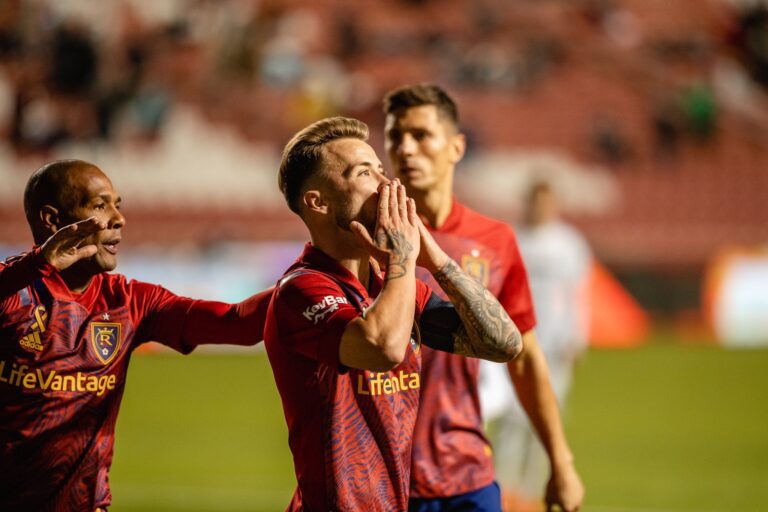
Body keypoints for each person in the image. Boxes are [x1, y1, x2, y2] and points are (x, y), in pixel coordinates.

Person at [263, 116, 523, 511]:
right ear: (318, 201)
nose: (388, 186)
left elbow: (503, 343)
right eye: (364, 173)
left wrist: (434, 260)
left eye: (382, 170)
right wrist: (403, 258)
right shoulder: (301, 289)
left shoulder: (395, 288)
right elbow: (383, 347)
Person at [0, 159, 270, 511]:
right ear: (52, 219)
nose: (119, 218)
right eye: (99, 205)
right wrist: (37, 264)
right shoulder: (13, 291)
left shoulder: (131, 301)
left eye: (118, 204)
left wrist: (311, 279)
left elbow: (238, 323)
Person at [382, 84, 584, 512]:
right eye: (395, 136)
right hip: (381, 478)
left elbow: (524, 358)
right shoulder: (365, 239)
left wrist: (561, 463)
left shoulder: (494, 241)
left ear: (456, 147)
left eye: (420, 135)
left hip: (465, 476)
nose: (405, 148)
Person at [480, 181, 592, 511]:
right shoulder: (512, 239)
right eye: (536, 201)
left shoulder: (570, 244)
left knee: (546, 421)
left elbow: (579, 293)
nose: (540, 208)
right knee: (512, 420)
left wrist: (578, 336)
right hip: (516, 341)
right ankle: (504, 488)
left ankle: (532, 492)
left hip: (555, 344)